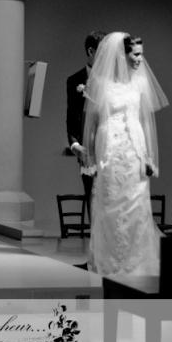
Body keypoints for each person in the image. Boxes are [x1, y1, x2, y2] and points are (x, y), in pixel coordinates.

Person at [82, 32, 168, 275]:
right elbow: (92, 122)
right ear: (123, 54)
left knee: (136, 202)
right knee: (110, 203)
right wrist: (90, 156)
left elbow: (145, 121)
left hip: (134, 149)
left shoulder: (140, 83)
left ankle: (138, 262)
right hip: (109, 147)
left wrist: (149, 156)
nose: (140, 59)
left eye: (141, 54)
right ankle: (110, 261)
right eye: (136, 54)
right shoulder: (100, 83)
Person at [66, 30, 106, 215]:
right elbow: (71, 116)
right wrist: (75, 144)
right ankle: (96, 241)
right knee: (92, 196)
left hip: (111, 146)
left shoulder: (113, 80)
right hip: (87, 150)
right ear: (91, 51)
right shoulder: (74, 81)